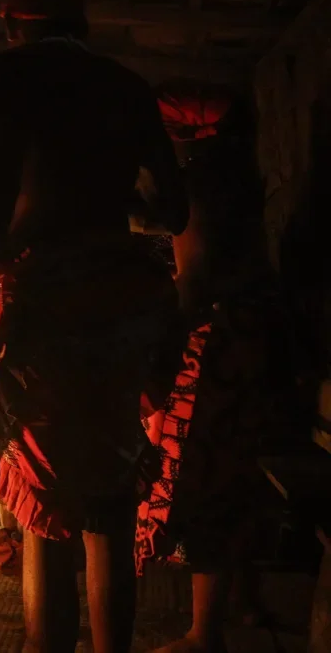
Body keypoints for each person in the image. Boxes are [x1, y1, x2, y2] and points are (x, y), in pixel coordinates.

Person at [0, 0, 189, 650]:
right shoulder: (129, 88)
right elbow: (174, 209)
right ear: (82, 22)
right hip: (122, 307)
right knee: (109, 504)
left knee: (43, 516)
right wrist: (110, 211)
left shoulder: (10, 75)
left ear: (14, 24)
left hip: (43, 310)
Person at [135, 82, 299, 653]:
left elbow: (194, 282)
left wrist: (158, 366)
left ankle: (204, 634)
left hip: (218, 348)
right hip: (248, 344)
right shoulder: (235, 185)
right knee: (230, 480)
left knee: (203, 485)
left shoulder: (199, 186)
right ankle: (233, 613)